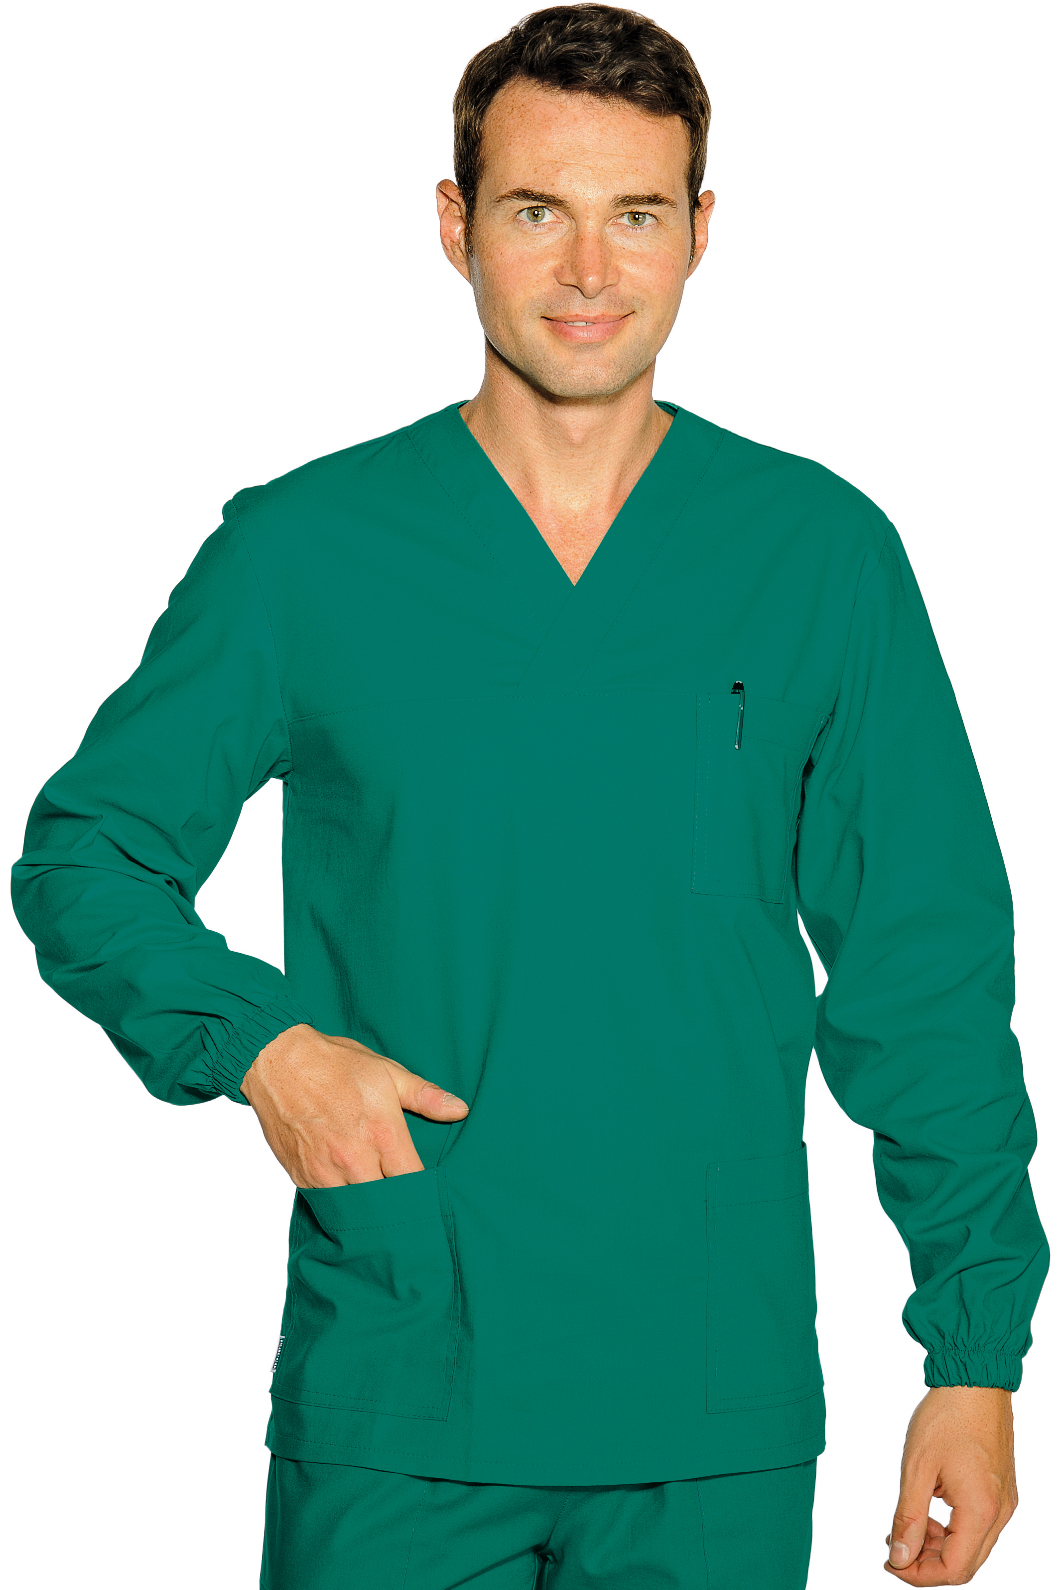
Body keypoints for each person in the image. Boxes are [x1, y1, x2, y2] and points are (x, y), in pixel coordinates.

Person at [10, 5, 1048, 1587]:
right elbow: (90, 853)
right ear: (455, 225)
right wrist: (264, 1044)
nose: (587, 270)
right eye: (535, 211)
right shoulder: (306, 554)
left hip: (707, 1397)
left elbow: (926, 970)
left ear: (700, 231)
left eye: (635, 215)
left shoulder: (818, 558)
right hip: (405, 1376)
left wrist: (975, 1352)